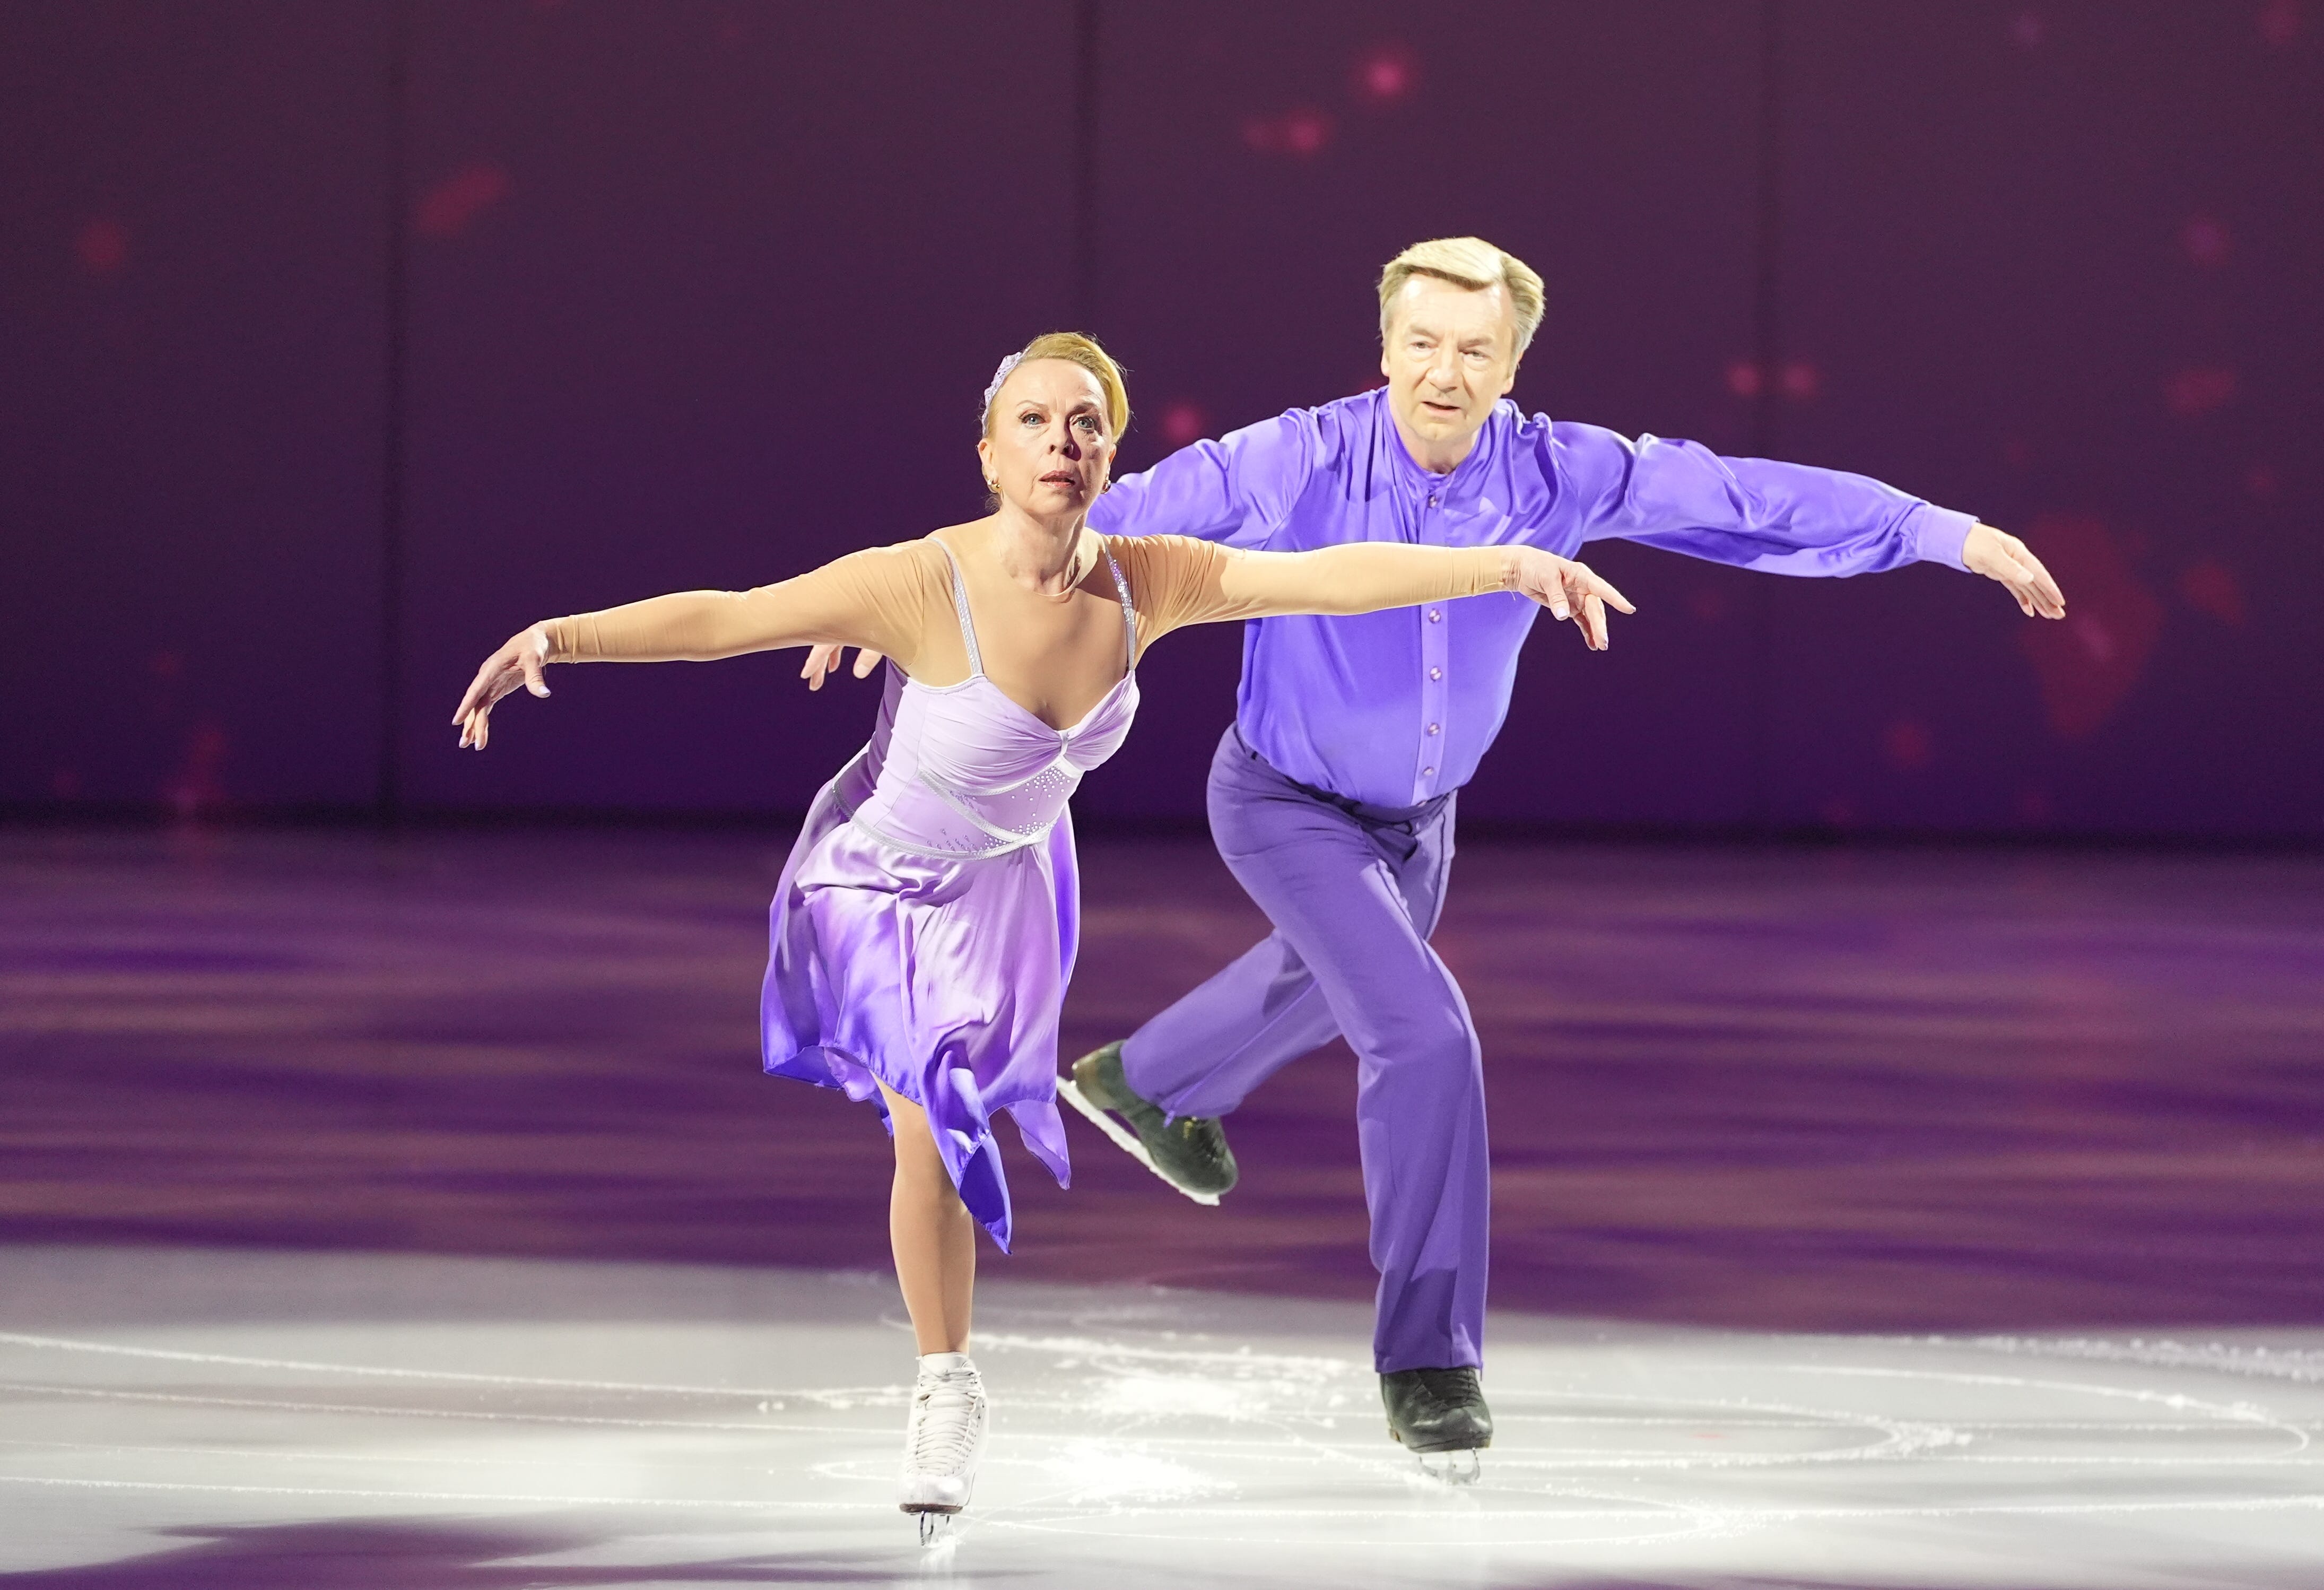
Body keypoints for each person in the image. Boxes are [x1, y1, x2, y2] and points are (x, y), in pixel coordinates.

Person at [809, 238, 2069, 1485]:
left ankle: (1149, 1084)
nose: (1441, 373)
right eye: (1419, 343)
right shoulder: (1302, 453)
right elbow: (1108, 515)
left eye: (1473, 350)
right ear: (1384, 348)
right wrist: (940, 601)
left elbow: (1742, 498)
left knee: (1334, 972)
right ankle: (1428, 1361)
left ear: (1514, 362)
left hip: (1423, 823)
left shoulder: (1562, 471)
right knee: (1425, 1034)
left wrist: (1940, 532)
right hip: (1282, 801)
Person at [450, 332, 1627, 1536]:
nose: (1061, 444)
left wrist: (1509, 566)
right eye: (1034, 423)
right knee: (935, 1113)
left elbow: (1321, 577)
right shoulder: (919, 581)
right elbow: (730, 619)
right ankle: (945, 1385)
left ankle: (958, 1344)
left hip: (1013, 885)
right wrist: (558, 638)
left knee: (952, 1114)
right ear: (988, 453)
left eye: (1085, 426)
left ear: (1108, 457)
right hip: (883, 881)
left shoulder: (1143, 577)